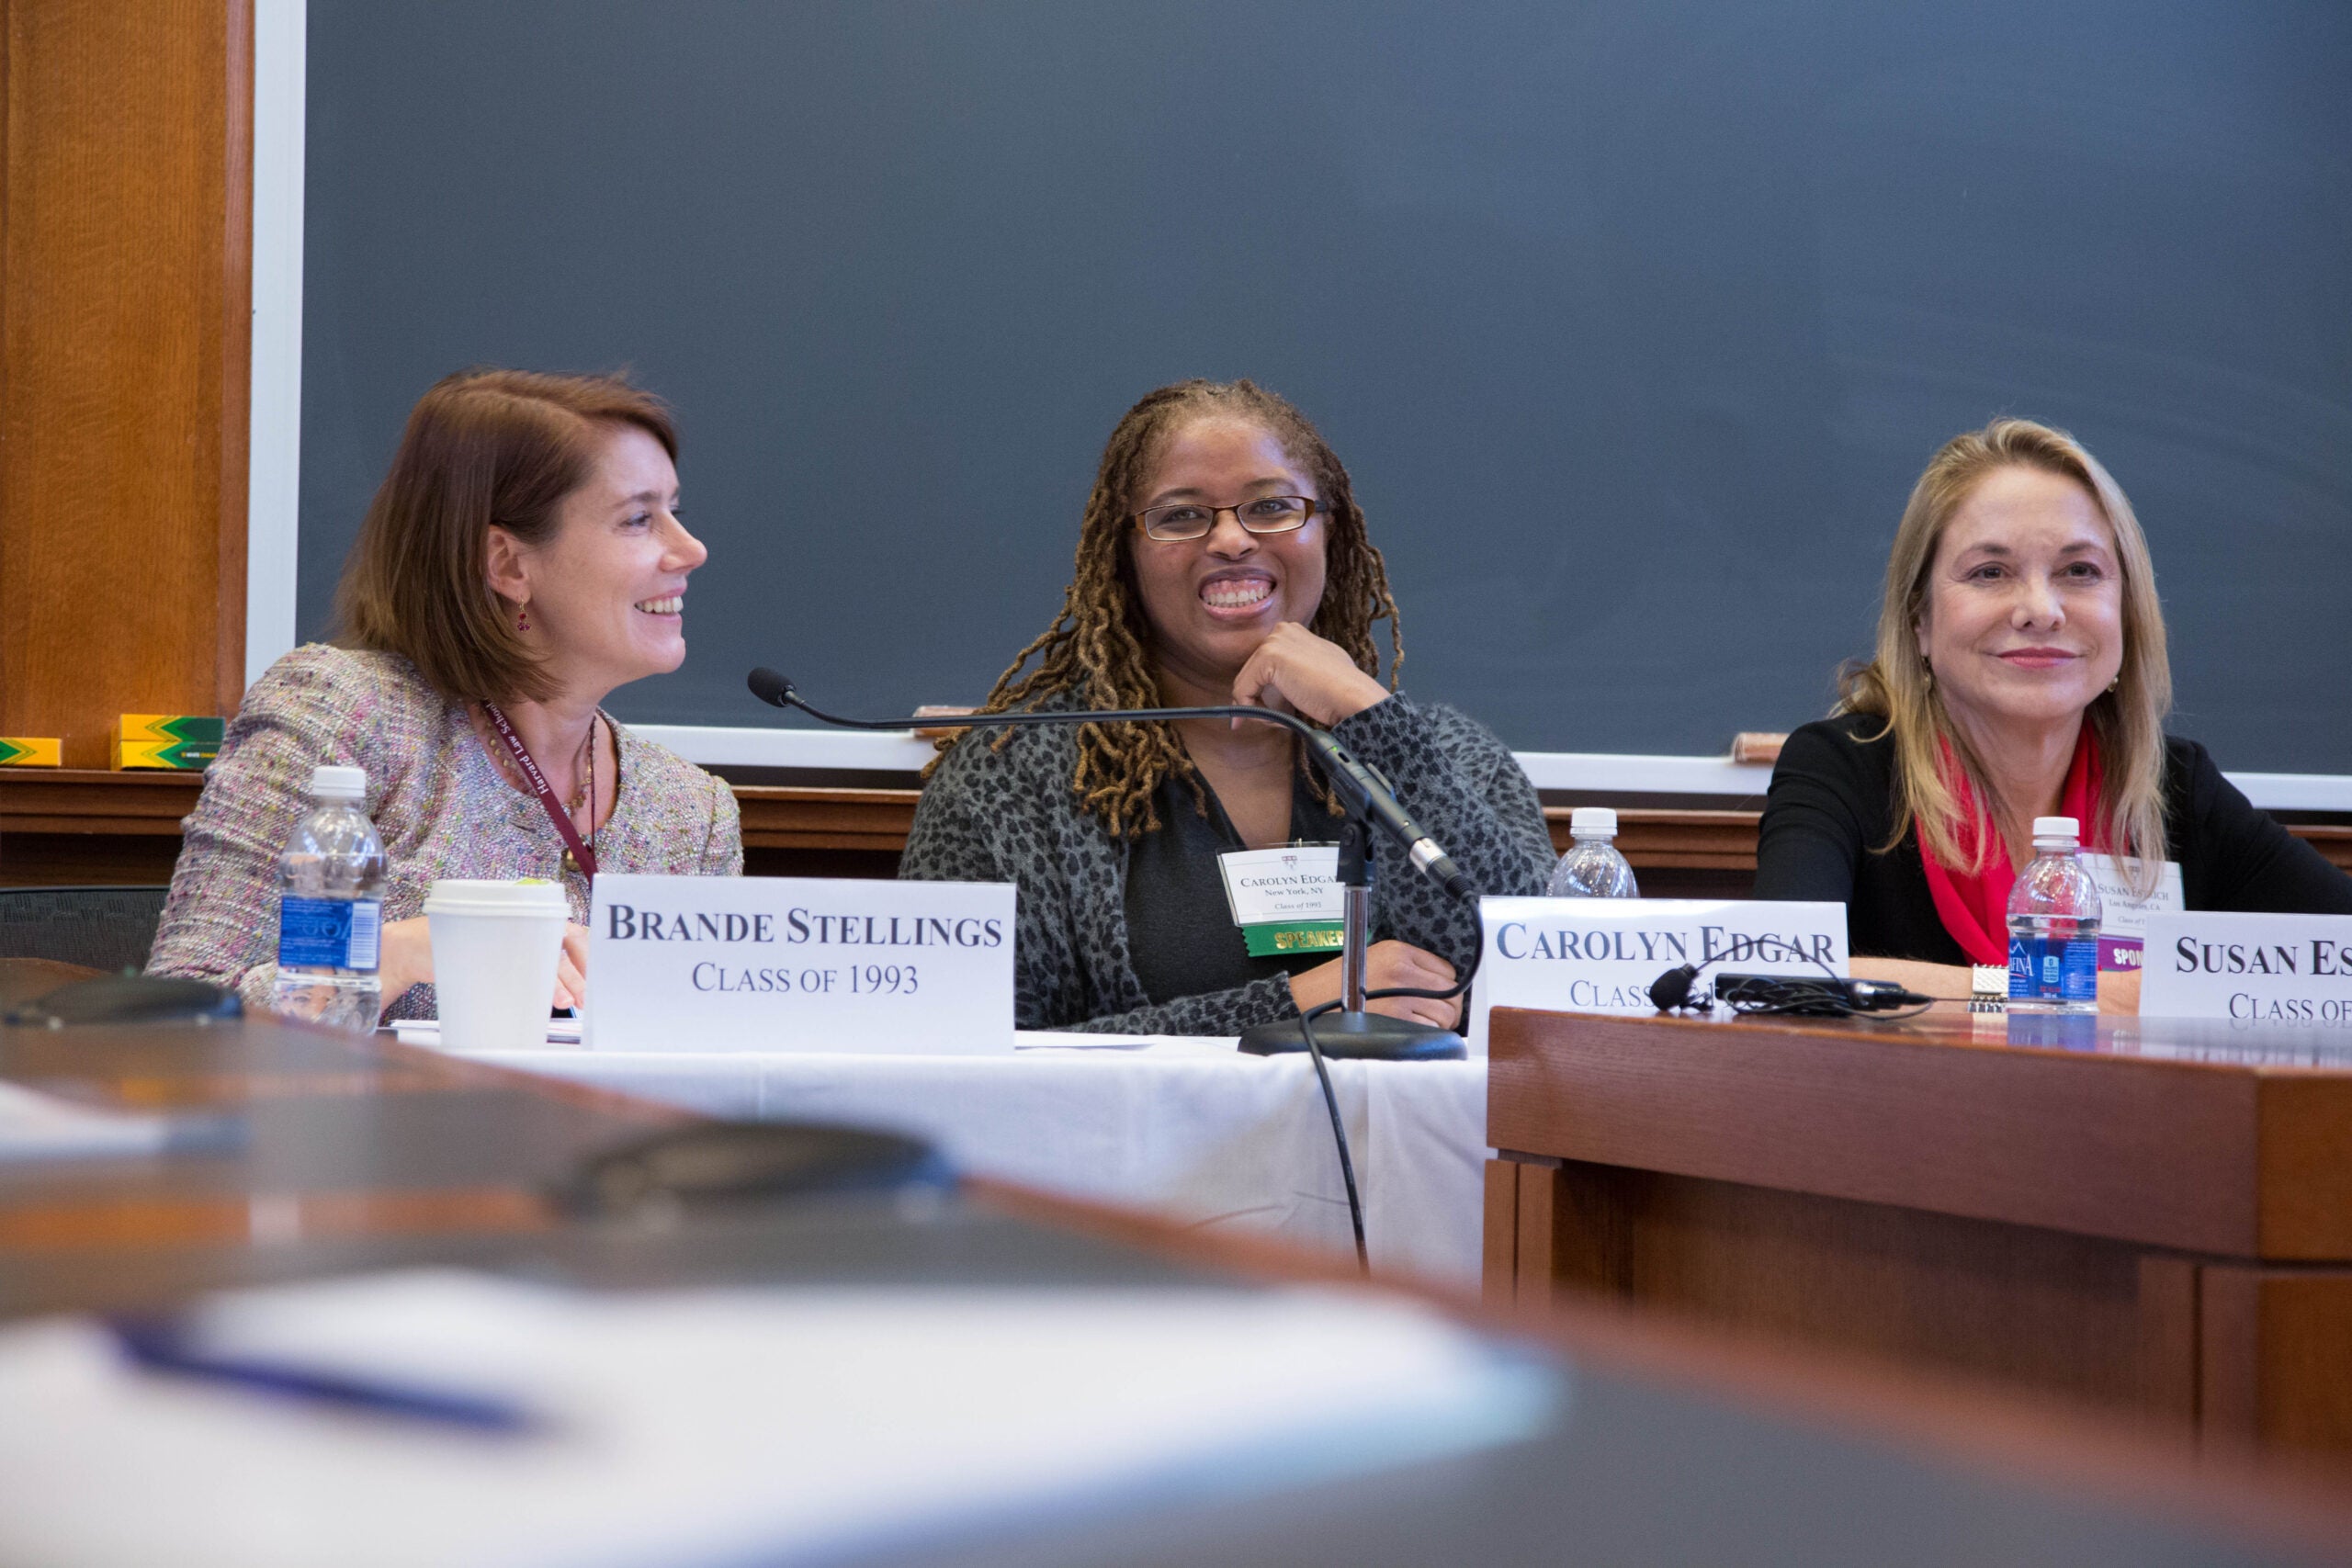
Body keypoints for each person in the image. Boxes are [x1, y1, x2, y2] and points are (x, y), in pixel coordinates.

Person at [900, 378, 1553, 1033]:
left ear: (1332, 531)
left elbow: (1548, 990)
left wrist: (1375, 720)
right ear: (1124, 556)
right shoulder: (1004, 787)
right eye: (1181, 515)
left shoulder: (1453, 758)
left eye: (1271, 506)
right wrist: (1292, 1008)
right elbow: (963, 1066)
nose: (1233, 540)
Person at [150, 369, 741, 1020]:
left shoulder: (692, 814)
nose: (691, 550)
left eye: (674, 513)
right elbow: (181, 1008)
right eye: (637, 519)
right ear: (509, 564)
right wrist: (398, 952)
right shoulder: (344, 717)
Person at [1753, 417, 2352, 1010]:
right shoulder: (1843, 769)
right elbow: (1786, 972)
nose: (2042, 609)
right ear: (1921, 620)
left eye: (2079, 571)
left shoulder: (2174, 789)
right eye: (1990, 572)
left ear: (2127, 614)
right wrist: (2068, 992)